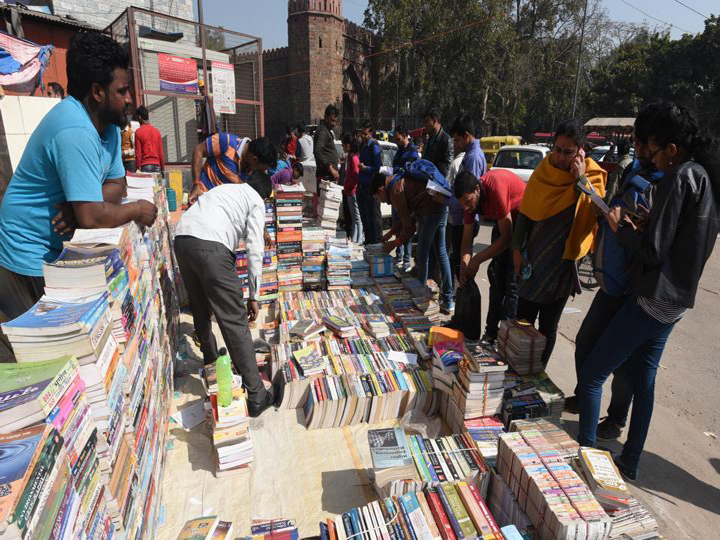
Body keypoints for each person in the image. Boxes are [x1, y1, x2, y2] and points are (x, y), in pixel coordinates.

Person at [578, 102, 719, 480]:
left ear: (671, 149)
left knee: (593, 374)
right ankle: (631, 462)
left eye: (653, 150)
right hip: (676, 300)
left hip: (652, 297)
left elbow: (654, 250)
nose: (650, 158)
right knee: (644, 380)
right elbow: (678, 243)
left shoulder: (678, 177)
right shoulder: (705, 178)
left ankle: (586, 461)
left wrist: (619, 225)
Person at [0, 33, 158, 322]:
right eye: (122, 91)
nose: (129, 100)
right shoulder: (74, 129)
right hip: (28, 254)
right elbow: (94, 218)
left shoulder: (109, 128)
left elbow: (117, 186)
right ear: (97, 92)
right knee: (46, 345)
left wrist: (84, 208)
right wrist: (136, 209)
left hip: (57, 247)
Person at [564, 104, 665, 431]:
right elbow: (613, 215)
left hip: (631, 287)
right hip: (611, 281)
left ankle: (615, 419)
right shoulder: (634, 172)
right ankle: (585, 396)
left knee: (623, 365)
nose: (636, 150)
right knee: (585, 342)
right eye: (635, 144)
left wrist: (592, 194)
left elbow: (634, 231)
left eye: (640, 144)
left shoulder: (661, 185)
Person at [174, 171, 284, 417]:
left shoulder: (226, 188)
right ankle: (257, 395)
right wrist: (254, 296)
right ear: (265, 197)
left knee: (199, 307)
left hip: (182, 239)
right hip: (211, 247)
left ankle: (212, 365)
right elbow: (256, 249)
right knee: (234, 320)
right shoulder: (256, 200)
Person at [512, 119, 606, 368]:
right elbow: (526, 213)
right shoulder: (543, 171)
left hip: (562, 265)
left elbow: (599, 210)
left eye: (568, 152)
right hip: (533, 260)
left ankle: (538, 371)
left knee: (548, 326)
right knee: (522, 320)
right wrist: (515, 250)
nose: (561, 157)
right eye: (558, 150)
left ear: (580, 152)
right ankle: (517, 366)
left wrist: (581, 180)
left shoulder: (591, 174)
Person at [371, 166, 454, 313]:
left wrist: (394, 244)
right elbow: (406, 217)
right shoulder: (397, 180)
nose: (381, 201)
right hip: (439, 204)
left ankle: (419, 299)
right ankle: (448, 299)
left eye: (378, 198)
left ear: (380, 190)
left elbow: (410, 228)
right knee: (441, 251)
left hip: (429, 211)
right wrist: (391, 233)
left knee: (422, 256)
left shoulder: (395, 191)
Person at [455, 168, 525, 343]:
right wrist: (465, 264)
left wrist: (477, 259)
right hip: (503, 224)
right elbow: (466, 239)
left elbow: (508, 238)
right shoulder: (468, 201)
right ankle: (491, 333)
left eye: (468, 202)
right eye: (462, 204)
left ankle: (506, 338)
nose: (466, 207)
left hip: (521, 224)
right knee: (495, 280)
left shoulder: (495, 187)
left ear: (477, 190)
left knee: (511, 284)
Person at [449, 115, 486, 280]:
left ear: (466, 135)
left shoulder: (472, 157)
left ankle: (461, 292)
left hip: (466, 220)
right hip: (465, 218)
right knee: (460, 258)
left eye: (457, 140)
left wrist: (447, 200)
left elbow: (469, 195)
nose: (456, 145)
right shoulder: (471, 154)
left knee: (462, 260)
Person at [189, 134, 277, 203]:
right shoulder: (226, 142)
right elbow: (198, 150)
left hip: (221, 212)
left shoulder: (250, 171)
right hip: (201, 200)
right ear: (255, 159)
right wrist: (197, 184)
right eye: (261, 169)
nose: (261, 172)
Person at [391, 124, 419, 271]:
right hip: (396, 194)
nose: (397, 142)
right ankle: (399, 255)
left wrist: (398, 171)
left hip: (406, 196)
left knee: (406, 226)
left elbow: (410, 171)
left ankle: (407, 259)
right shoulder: (399, 151)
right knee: (397, 226)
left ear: (404, 135)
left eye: (398, 138)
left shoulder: (412, 152)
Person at [357, 120, 384, 244]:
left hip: (371, 188)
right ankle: (368, 244)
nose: (363, 136)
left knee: (374, 219)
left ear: (371, 134)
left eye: (365, 134)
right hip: (362, 188)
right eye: (362, 133)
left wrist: (365, 168)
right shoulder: (363, 146)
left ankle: (377, 244)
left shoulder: (374, 146)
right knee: (365, 219)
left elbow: (378, 168)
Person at [313, 105, 340, 217]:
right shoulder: (323, 131)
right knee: (326, 214)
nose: (334, 123)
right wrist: (331, 168)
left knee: (329, 213)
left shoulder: (326, 130)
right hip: (325, 176)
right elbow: (317, 151)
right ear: (326, 117)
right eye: (332, 120)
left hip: (328, 176)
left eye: (335, 121)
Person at [342, 133, 363, 244]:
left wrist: (349, 186)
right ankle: (354, 239)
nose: (343, 147)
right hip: (349, 191)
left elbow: (356, 175)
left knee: (357, 218)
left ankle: (359, 239)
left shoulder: (354, 158)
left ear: (348, 145)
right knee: (354, 218)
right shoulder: (350, 157)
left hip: (353, 191)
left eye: (343, 145)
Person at [422, 108, 453, 177]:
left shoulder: (446, 140)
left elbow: (448, 168)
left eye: (427, 122)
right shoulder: (429, 139)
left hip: (437, 183)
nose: (425, 125)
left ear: (434, 121)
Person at [134, 105, 165, 174]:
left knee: (146, 185)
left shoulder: (138, 132)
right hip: (157, 165)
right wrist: (162, 168)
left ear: (139, 117)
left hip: (145, 165)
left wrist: (137, 168)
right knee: (156, 185)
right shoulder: (157, 131)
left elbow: (138, 154)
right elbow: (161, 153)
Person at [604, 138, 633, 203]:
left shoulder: (620, 165)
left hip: (617, 202)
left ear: (618, 150)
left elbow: (613, 187)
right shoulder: (631, 162)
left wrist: (607, 203)